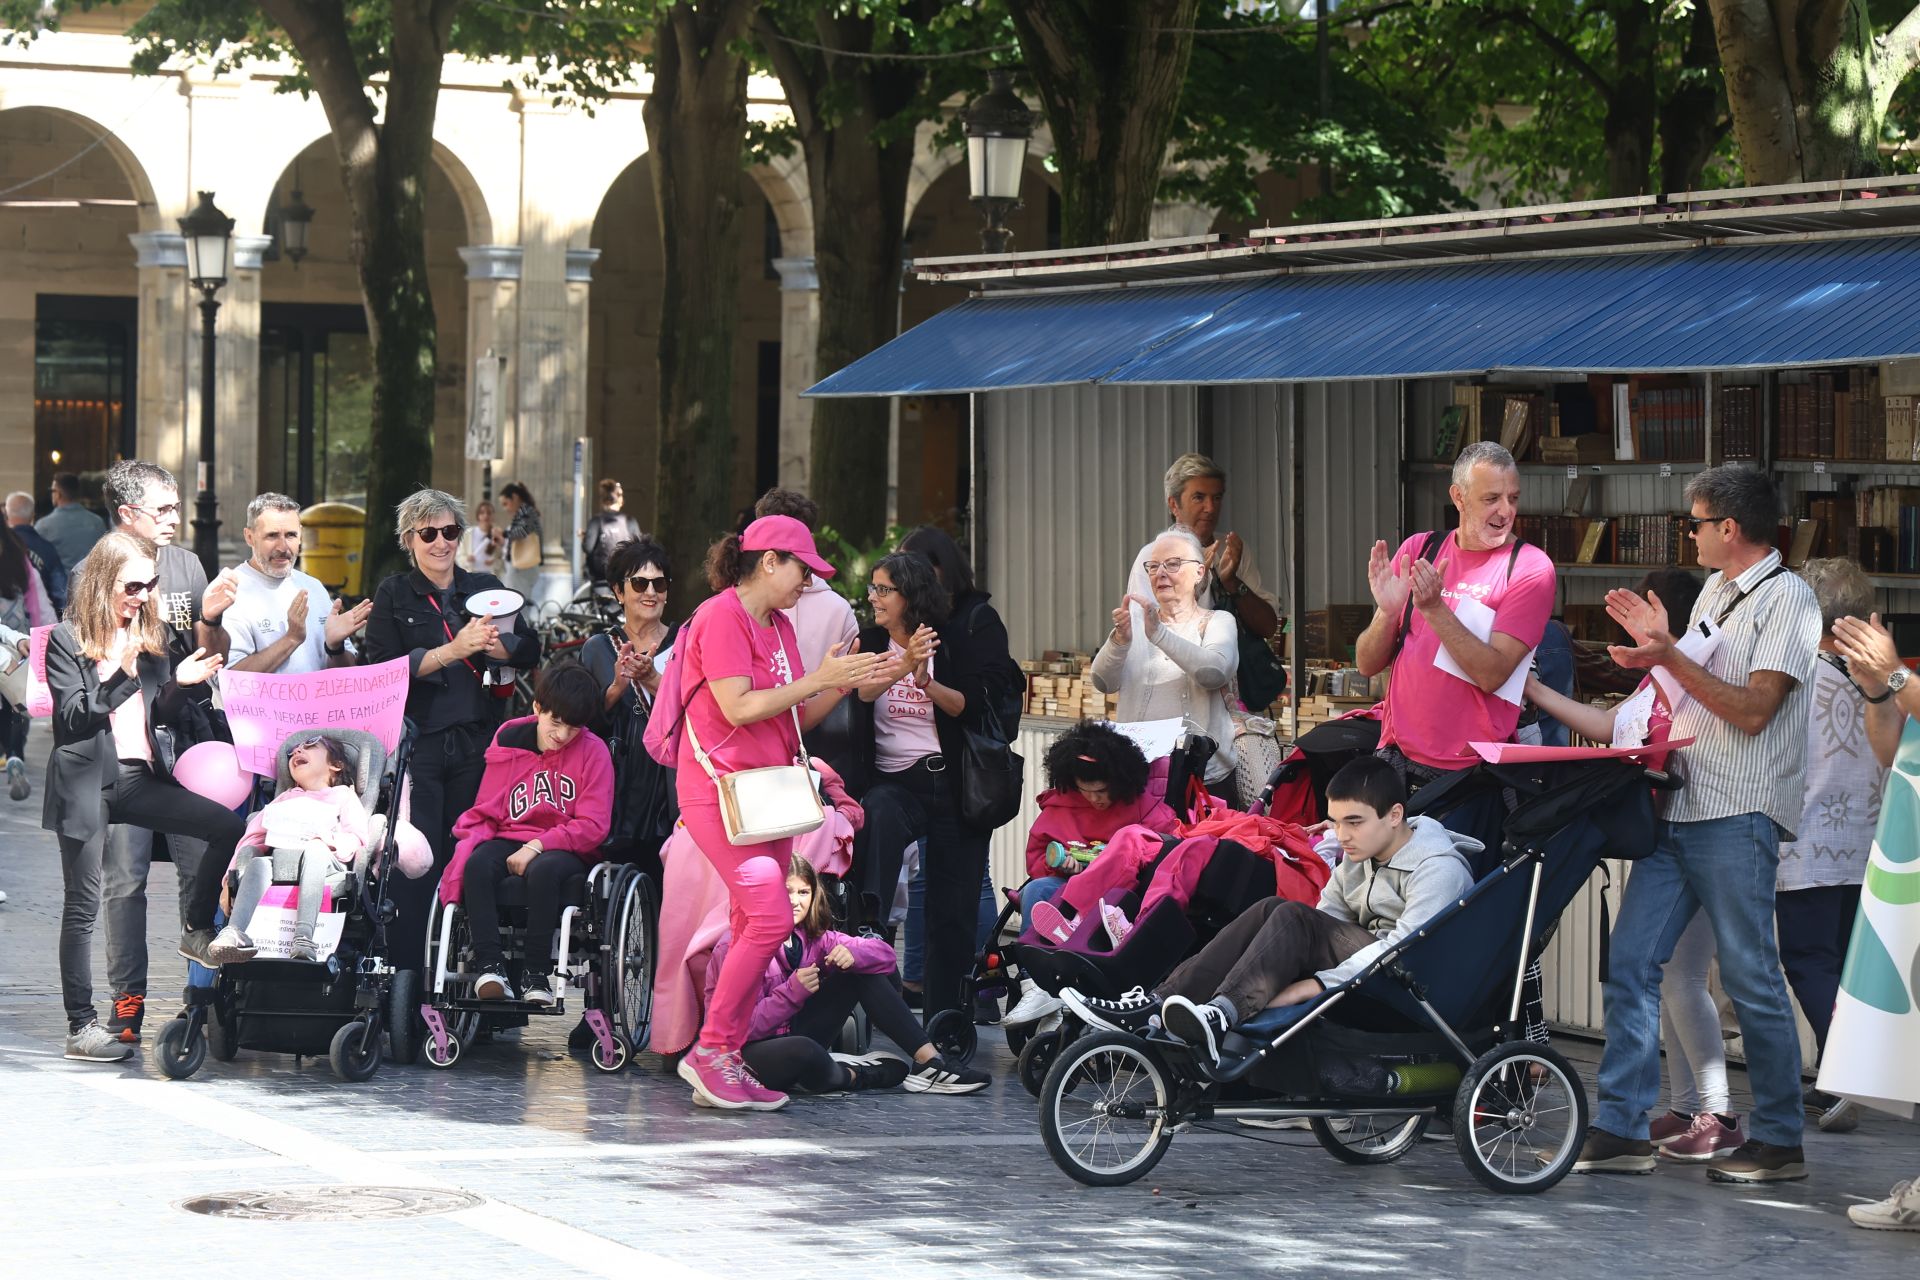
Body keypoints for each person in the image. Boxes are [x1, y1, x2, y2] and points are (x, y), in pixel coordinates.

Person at [1578, 464, 1822, 1184]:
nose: (1689, 534)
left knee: (1749, 976)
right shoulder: (1718, 588)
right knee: (1629, 963)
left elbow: (1751, 710)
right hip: (1679, 803)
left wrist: (1669, 656)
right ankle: (1619, 1126)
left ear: (1730, 529)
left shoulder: (1791, 600)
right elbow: (1689, 678)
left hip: (1737, 810)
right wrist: (1651, 664)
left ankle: (1780, 1139)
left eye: (1695, 522)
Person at [1060, 756, 1478, 1072]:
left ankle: (1221, 1013)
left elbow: (1402, 953)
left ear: (1395, 815)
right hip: (1364, 966)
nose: (1342, 835)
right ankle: (1156, 1003)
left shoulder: (1437, 868)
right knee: (1277, 909)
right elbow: (1323, 921)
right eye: (1334, 823)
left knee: (1293, 917)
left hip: (1407, 986)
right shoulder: (1359, 854)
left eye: (1354, 822)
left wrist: (1313, 985)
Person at [1524, 568, 1745, 1162]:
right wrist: (1539, 692)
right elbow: (1612, 727)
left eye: (1641, 616)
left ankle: (1716, 1111)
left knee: (1710, 977)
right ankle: (1674, 1111)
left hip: (1710, 829)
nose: (1627, 631)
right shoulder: (1660, 678)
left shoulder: (1701, 665)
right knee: (1661, 973)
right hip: (1670, 834)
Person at [671, 514, 882, 1110]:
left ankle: (725, 1058)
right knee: (768, 915)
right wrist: (822, 675)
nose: (809, 584)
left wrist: (844, 683)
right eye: (803, 570)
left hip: (767, 792)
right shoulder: (719, 616)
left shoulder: (781, 626)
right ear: (769, 561)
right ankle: (711, 1052)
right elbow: (738, 707)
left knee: (755, 920)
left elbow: (791, 719)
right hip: (720, 792)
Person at [43, 531, 246, 1062]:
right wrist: (122, 672)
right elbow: (71, 719)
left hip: (138, 776)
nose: (142, 594)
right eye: (133, 585)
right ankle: (82, 1025)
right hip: (86, 779)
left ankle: (197, 928)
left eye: (150, 584)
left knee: (225, 826)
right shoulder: (68, 639)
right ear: (103, 584)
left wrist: (177, 682)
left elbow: (161, 715)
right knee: (83, 904)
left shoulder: (149, 633)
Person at [852, 527, 1024, 1031]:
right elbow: (862, 695)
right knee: (877, 817)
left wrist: (926, 680)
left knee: (952, 908)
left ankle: (948, 1020)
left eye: (884, 590)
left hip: (952, 781)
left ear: (912, 593)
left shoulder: (952, 637)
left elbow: (974, 705)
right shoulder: (870, 640)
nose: (875, 599)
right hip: (894, 781)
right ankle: (871, 945)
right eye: (875, 590)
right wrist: (901, 663)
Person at [365, 488, 540, 978]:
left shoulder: (483, 585)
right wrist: (453, 649)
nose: (441, 543)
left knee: (471, 856)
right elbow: (379, 667)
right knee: (417, 860)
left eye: (449, 531)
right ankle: (409, 980)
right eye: (429, 534)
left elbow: (530, 646)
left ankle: (469, 977)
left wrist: (496, 647)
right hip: (418, 746)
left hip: (477, 742)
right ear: (409, 539)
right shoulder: (394, 592)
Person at [92, 460, 236, 1047]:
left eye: (178, 507)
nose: (176, 519)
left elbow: (212, 650)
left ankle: (200, 998)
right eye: (165, 509)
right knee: (124, 880)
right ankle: (127, 1001)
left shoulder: (187, 566)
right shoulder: (94, 570)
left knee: (197, 867)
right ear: (129, 515)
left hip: (182, 744)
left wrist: (209, 619)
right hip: (123, 752)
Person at [1355, 441, 1557, 780]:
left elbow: (1492, 675)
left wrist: (1434, 608)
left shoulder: (1529, 568)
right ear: (1458, 497)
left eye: (1513, 498)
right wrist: (1388, 613)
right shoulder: (1421, 548)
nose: (1506, 511)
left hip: (1469, 770)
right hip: (1396, 755)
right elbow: (1366, 663)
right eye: (1491, 499)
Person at [716, 855, 991, 1098]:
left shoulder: (814, 938)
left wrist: (854, 957)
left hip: (800, 1034)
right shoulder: (733, 947)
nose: (795, 901)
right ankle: (853, 1075)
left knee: (859, 972)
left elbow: (885, 956)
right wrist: (791, 992)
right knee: (805, 1052)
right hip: (745, 1053)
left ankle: (929, 1063)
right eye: (786, 891)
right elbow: (739, 1028)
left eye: (803, 892)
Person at [442, 661, 613, 1005]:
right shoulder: (509, 736)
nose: (562, 735)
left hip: (566, 847)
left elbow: (594, 826)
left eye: (573, 728)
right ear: (537, 708)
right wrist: (473, 840)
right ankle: (491, 968)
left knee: (545, 870)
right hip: (509, 835)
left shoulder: (594, 752)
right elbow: (489, 805)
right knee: (476, 864)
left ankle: (537, 976)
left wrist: (538, 844)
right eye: (556, 722)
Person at [1091, 528, 1240, 799]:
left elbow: (1213, 672)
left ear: (1199, 572)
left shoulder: (1217, 621)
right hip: (1138, 778)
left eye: (1173, 564)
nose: (1161, 572)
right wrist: (1119, 641)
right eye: (1154, 565)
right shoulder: (1136, 625)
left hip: (1202, 781)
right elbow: (1102, 682)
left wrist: (1159, 635)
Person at [222, 734, 370, 961]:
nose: (297, 751)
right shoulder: (284, 799)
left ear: (335, 765)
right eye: (293, 750)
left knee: (315, 849)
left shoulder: (343, 796)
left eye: (310, 746)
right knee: (258, 863)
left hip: (326, 863)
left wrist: (328, 840)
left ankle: (303, 937)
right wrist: (227, 883)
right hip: (283, 861)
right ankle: (235, 933)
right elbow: (252, 837)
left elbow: (357, 836)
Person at [580, 537, 679, 875]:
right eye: (639, 583)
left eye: (659, 583)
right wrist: (615, 689)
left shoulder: (686, 642)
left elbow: (701, 707)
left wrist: (652, 678)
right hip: (617, 781)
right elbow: (580, 724)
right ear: (619, 592)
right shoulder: (597, 648)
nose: (650, 592)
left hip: (672, 784)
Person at [224, 493, 373, 674]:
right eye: (272, 536)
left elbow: (346, 675)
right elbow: (231, 678)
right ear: (249, 537)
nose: (283, 547)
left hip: (319, 702)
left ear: (301, 535)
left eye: (291, 535)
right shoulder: (231, 591)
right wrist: (291, 639)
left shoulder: (314, 587)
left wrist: (335, 646)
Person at [1154, 453, 1281, 645]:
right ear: (1174, 505)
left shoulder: (1232, 551)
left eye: (1217, 497)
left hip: (1232, 672)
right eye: (1199, 497)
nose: (1211, 508)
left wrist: (1232, 583)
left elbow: (1268, 627)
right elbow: (1152, 632)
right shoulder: (1154, 558)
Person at [0, 523, 55, 801]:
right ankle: (14, 753)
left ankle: (5, 752)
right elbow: (39, 603)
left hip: (8, 645)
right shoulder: (17, 554)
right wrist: (46, 639)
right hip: (18, 642)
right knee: (17, 699)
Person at [36, 471, 107, 577]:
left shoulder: (43, 525)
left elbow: (38, 561)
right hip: (90, 587)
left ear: (58, 494)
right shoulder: (97, 522)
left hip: (60, 589)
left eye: (52, 491)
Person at [6, 491, 67, 614]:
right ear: (33, 515)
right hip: (38, 622)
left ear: (7, 514)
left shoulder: (4, 547)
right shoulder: (47, 549)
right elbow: (60, 593)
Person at [581, 478, 643, 593]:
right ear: (620, 500)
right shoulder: (630, 521)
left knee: (599, 610)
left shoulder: (596, 521)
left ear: (602, 500)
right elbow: (639, 547)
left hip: (600, 579)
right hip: (624, 579)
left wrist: (585, 537)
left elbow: (587, 548)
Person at [496, 482, 543, 610]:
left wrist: (504, 533)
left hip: (521, 568)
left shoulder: (526, 511)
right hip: (520, 568)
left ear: (515, 497)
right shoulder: (526, 511)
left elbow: (522, 531)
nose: (505, 509)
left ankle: (519, 630)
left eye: (506, 503)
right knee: (516, 605)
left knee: (516, 606)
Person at [457, 499, 503, 575]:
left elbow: (502, 558)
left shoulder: (497, 534)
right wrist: (467, 559)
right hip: (472, 575)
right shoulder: (468, 534)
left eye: (489, 513)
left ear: (493, 516)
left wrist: (494, 562)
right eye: (482, 513)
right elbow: (459, 555)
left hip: (491, 576)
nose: (486, 516)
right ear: (478, 515)